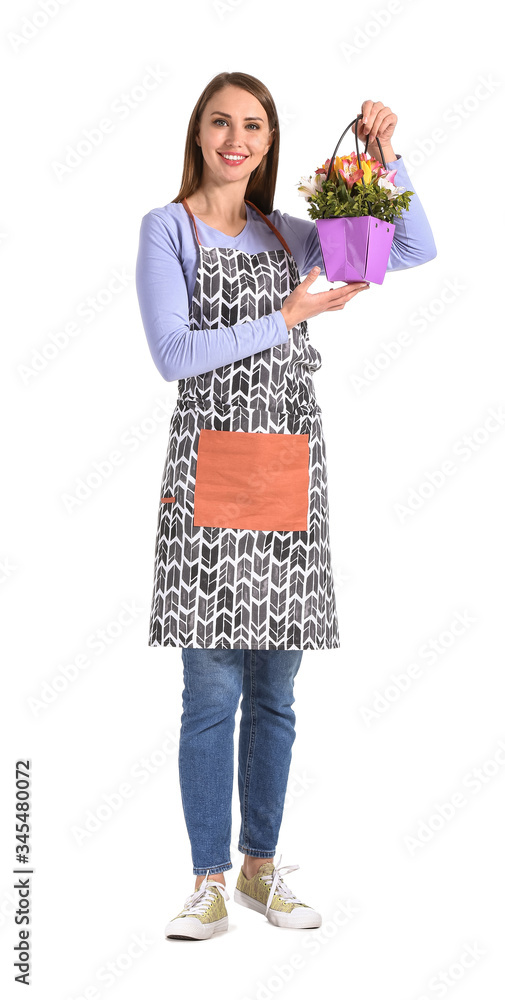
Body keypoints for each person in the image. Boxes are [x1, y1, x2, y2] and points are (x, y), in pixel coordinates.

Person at [135, 72, 437, 941]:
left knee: (275, 694)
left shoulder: (287, 231)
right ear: (198, 132)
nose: (238, 138)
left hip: (289, 474)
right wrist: (288, 311)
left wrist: (387, 158)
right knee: (208, 693)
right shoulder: (169, 229)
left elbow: (408, 251)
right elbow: (172, 352)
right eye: (222, 122)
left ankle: (262, 872)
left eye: (255, 127)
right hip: (208, 481)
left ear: (269, 143)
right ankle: (206, 883)